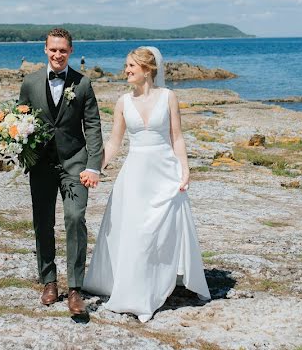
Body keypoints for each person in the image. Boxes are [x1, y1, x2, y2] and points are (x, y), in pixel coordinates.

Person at [82, 46, 210, 322]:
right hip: (135, 177)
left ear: (147, 69)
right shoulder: (122, 102)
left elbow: (177, 137)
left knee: (158, 234)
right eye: (126, 65)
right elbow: (114, 143)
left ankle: (155, 284)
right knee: (137, 233)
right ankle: (135, 292)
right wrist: (95, 168)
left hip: (164, 173)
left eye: (131, 66)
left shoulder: (168, 97)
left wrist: (185, 169)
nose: (125, 70)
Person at [18, 27, 103, 315]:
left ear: (71, 51)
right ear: (45, 50)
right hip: (40, 164)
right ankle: (49, 282)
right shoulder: (29, 82)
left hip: (75, 164)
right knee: (42, 222)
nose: (57, 55)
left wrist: (94, 165)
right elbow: (20, 120)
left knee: (75, 217)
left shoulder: (83, 84)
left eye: (63, 50)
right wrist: (18, 146)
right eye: (53, 49)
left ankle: (76, 289)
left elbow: (92, 126)